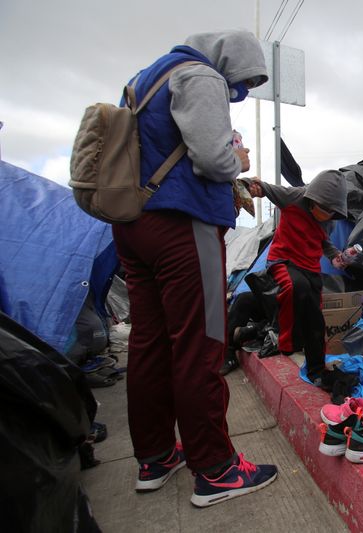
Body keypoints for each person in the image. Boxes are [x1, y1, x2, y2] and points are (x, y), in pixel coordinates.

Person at [111, 30, 278, 508]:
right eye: (242, 82)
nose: (241, 92)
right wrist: (238, 160)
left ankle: (156, 457)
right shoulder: (200, 75)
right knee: (201, 343)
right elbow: (211, 158)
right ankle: (217, 468)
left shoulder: (145, 78)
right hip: (183, 225)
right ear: (229, 60)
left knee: (150, 342)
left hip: (135, 224)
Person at [245, 170, 348, 385]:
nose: (322, 214)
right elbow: (265, 187)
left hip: (310, 268)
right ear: (311, 198)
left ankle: (317, 370)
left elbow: (325, 243)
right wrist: (251, 187)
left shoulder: (331, 220)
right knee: (294, 286)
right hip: (283, 260)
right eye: (319, 207)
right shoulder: (293, 197)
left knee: (316, 319)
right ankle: (286, 343)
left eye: (328, 211)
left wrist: (335, 257)